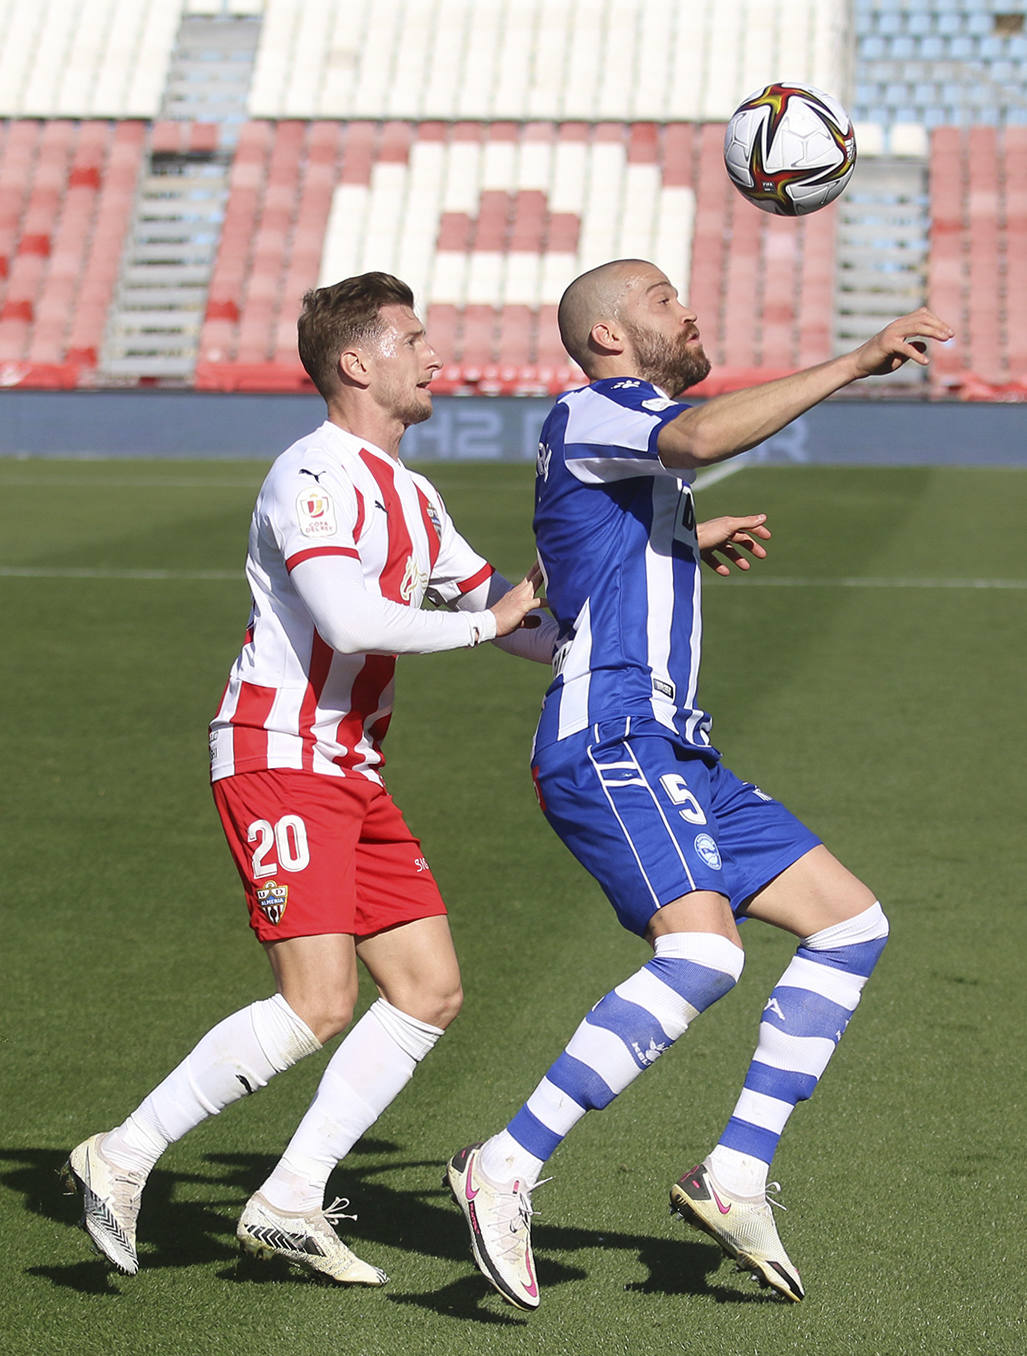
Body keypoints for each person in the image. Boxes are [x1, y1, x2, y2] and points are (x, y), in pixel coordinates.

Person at [445, 259, 955, 1309]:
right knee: (701, 954)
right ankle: (504, 1162)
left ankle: (733, 1175)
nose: (688, 311)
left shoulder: (625, 445)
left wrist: (681, 539)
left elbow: (595, 560)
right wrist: (859, 359)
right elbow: (697, 438)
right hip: (613, 737)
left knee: (850, 924)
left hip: (677, 744)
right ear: (609, 339)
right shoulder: (595, 408)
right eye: (663, 301)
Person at [62, 272, 558, 1284]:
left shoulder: (415, 495)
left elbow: (514, 615)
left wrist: (641, 580)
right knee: (317, 1002)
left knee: (428, 989)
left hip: (347, 768)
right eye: (414, 339)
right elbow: (350, 620)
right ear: (356, 361)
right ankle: (120, 1155)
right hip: (276, 755)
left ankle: (289, 1197)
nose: (434, 356)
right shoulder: (311, 475)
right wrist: (487, 623)